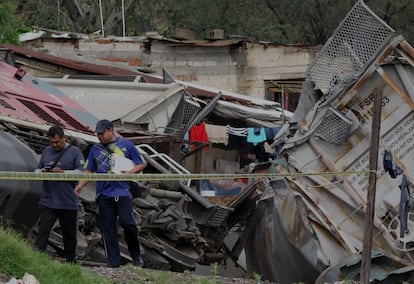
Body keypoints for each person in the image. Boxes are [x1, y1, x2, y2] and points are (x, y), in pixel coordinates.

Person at [74, 119, 146, 268]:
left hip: (123, 192)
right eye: (98, 133)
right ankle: (113, 262)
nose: (99, 136)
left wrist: (130, 173)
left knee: (128, 223)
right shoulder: (95, 149)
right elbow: (89, 170)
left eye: (102, 133)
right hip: (104, 194)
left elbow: (141, 163)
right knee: (107, 228)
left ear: (111, 130)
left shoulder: (126, 144)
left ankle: (136, 256)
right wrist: (80, 185)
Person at [34, 125, 85, 263]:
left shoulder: (75, 152)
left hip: (68, 202)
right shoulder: (46, 151)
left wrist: (64, 173)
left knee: (69, 235)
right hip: (48, 200)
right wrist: (42, 172)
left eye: (57, 142)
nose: (54, 145)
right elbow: (36, 171)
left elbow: (82, 172)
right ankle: (37, 260)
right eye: (51, 142)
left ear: (65, 138)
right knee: (43, 231)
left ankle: (71, 263)